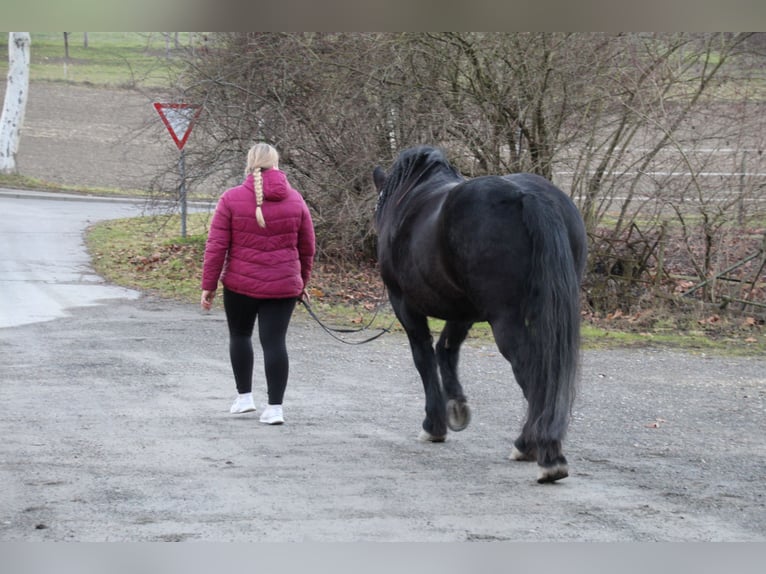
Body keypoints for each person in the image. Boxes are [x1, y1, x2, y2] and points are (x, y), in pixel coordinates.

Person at [201, 142, 315, 424]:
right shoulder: (296, 200)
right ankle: (275, 408)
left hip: (240, 284)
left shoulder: (231, 198)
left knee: (240, 336)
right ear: (276, 165)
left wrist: (209, 285)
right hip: (284, 285)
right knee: (275, 342)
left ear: (249, 164)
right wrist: (301, 282)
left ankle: (244, 399)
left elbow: (216, 246)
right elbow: (307, 247)